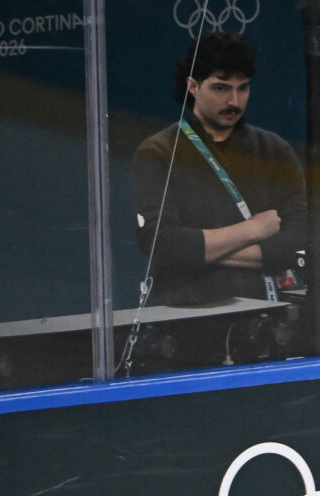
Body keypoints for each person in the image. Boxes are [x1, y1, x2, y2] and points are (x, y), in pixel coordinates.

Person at [130, 32, 305, 308]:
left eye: (243, 88)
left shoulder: (275, 150)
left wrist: (205, 249)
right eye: (221, 88)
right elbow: (160, 244)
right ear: (193, 86)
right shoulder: (158, 153)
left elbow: (300, 246)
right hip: (188, 317)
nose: (234, 101)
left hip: (272, 317)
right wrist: (254, 229)